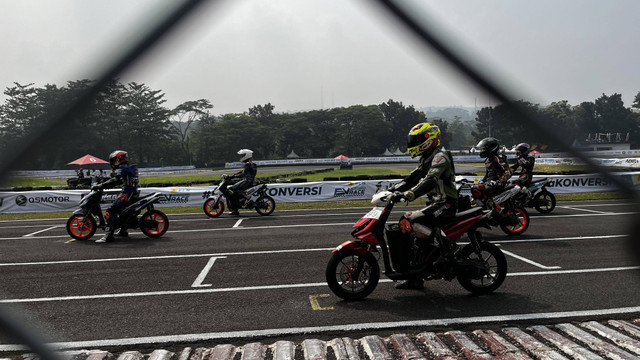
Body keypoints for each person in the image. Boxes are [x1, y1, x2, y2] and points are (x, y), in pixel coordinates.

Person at [388, 123, 458, 290]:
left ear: (429, 139)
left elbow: (430, 180)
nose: (413, 144)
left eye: (416, 140)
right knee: (411, 236)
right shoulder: (427, 158)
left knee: (408, 221)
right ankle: (415, 276)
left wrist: (410, 194)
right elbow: (412, 178)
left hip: (445, 204)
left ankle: (446, 246)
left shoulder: (440, 157)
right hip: (435, 204)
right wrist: (392, 190)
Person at [94, 150, 139, 243]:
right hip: (132, 192)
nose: (112, 162)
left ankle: (108, 236)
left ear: (119, 159)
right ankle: (123, 230)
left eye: (113, 159)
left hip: (127, 193)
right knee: (121, 211)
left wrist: (101, 185)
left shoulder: (123, 168)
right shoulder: (128, 167)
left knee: (110, 211)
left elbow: (115, 180)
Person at [224, 149, 258, 216]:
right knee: (233, 189)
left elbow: (243, 174)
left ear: (246, 155)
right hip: (249, 181)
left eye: (242, 155)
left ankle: (235, 209)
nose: (241, 157)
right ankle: (238, 204)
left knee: (231, 190)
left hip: (247, 181)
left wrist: (233, 177)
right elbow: (243, 172)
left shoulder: (248, 165)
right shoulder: (252, 164)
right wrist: (234, 175)